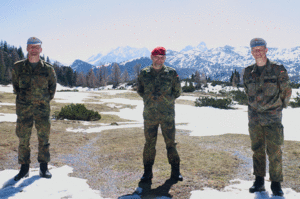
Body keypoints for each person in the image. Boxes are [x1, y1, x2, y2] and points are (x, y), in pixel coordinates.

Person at [243, 38, 291, 196]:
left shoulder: (278, 69)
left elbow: (286, 91)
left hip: (273, 118)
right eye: (255, 49)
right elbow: (247, 92)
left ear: (266, 50)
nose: (258, 52)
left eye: (260, 48)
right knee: (257, 150)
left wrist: (278, 108)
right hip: (254, 119)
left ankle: (276, 184)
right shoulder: (248, 71)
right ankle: (259, 182)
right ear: (251, 52)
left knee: (275, 151)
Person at [12, 37, 57, 180]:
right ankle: (24, 169)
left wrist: (42, 101)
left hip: (42, 110)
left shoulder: (48, 69)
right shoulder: (18, 67)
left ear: (41, 50)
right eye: (31, 47)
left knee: (44, 138)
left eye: (36, 47)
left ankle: (43, 168)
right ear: (27, 49)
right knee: (23, 139)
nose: (34, 49)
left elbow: (52, 88)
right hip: (23, 110)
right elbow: (16, 87)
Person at [137, 46, 182, 182]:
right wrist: (150, 101)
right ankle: (147, 173)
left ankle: (175, 172)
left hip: (167, 115)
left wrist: (167, 102)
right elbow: (140, 90)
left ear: (165, 58)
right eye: (157, 57)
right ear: (152, 57)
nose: (159, 59)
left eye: (162, 57)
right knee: (149, 144)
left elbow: (177, 91)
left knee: (171, 144)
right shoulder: (144, 73)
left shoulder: (171, 73)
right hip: (150, 116)